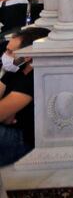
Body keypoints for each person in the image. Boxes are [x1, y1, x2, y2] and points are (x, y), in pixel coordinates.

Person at [0, 27, 50, 166]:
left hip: (20, 138)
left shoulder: (35, 77)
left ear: (27, 55)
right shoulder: (16, 69)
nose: (5, 55)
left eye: (10, 52)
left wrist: (5, 112)